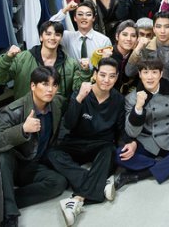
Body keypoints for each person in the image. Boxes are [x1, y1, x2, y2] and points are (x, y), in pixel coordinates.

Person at [0, 66, 68, 227]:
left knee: (58, 183)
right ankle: (9, 214)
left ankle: (1, 200)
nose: (50, 89)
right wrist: (22, 129)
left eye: (54, 85)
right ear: (33, 85)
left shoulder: (56, 104)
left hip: (30, 164)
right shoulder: (14, 110)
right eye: (45, 84)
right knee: (3, 154)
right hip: (7, 165)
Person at [49, 58, 134, 226]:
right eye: (102, 75)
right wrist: (79, 98)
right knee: (52, 153)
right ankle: (100, 182)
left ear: (117, 78)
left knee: (110, 151)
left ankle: (77, 200)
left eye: (112, 76)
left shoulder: (118, 99)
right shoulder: (81, 92)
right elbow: (69, 124)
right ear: (95, 75)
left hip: (100, 144)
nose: (106, 80)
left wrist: (129, 142)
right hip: (76, 141)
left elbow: (120, 129)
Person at [115, 58, 169, 188]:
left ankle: (138, 175)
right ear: (140, 74)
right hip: (148, 140)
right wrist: (138, 107)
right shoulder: (131, 98)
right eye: (145, 72)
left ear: (161, 74)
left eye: (154, 72)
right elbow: (132, 132)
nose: (150, 77)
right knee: (120, 155)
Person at [0, 21, 90, 99]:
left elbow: (78, 90)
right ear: (41, 37)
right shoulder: (22, 58)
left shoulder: (70, 64)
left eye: (57, 34)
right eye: (48, 34)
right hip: (27, 113)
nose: (53, 37)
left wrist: (85, 72)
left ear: (61, 38)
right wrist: (7, 58)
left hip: (57, 114)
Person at [51, 1, 112, 67]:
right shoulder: (67, 36)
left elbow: (108, 66)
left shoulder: (104, 40)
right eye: (80, 14)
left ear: (93, 18)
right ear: (75, 18)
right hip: (72, 73)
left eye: (88, 14)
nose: (84, 17)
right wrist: (65, 10)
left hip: (95, 73)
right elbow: (49, 27)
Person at [126, 12, 169, 81]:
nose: (162, 31)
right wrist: (138, 49)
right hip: (150, 86)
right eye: (158, 27)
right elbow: (129, 72)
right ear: (154, 29)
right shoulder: (144, 48)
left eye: (167, 26)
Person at [96, 20, 138, 94]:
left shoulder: (137, 55)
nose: (129, 39)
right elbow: (94, 80)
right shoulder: (105, 53)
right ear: (117, 36)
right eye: (125, 34)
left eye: (133, 36)